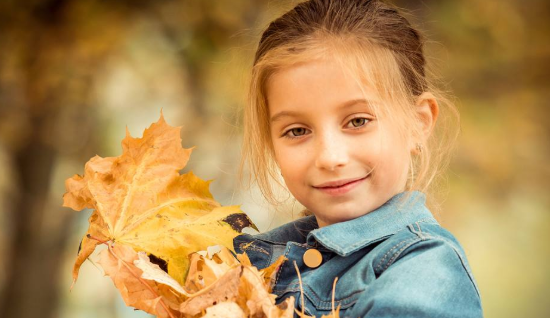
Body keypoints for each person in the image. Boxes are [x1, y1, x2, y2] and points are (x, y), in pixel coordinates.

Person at [234, 0, 483, 317]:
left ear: (418, 123)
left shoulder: (423, 270)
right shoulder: (249, 260)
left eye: (358, 121)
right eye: (297, 131)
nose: (330, 157)